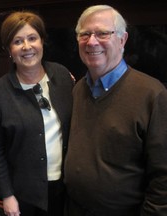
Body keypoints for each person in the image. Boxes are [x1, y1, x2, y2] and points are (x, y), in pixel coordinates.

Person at [64, 5, 167, 216]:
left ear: (123, 39)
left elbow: (163, 177)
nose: (92, 41)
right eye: (85, 34)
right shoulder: (77, 90)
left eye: (102, 33)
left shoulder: (152, 94)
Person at [0, 11, 75, 216]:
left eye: (32, 38)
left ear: (42, 41)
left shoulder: (62, 76)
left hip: (66, 187)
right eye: (18, 41)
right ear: (9, 49)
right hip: (24, 194)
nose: (26, 47)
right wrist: (7, 195)